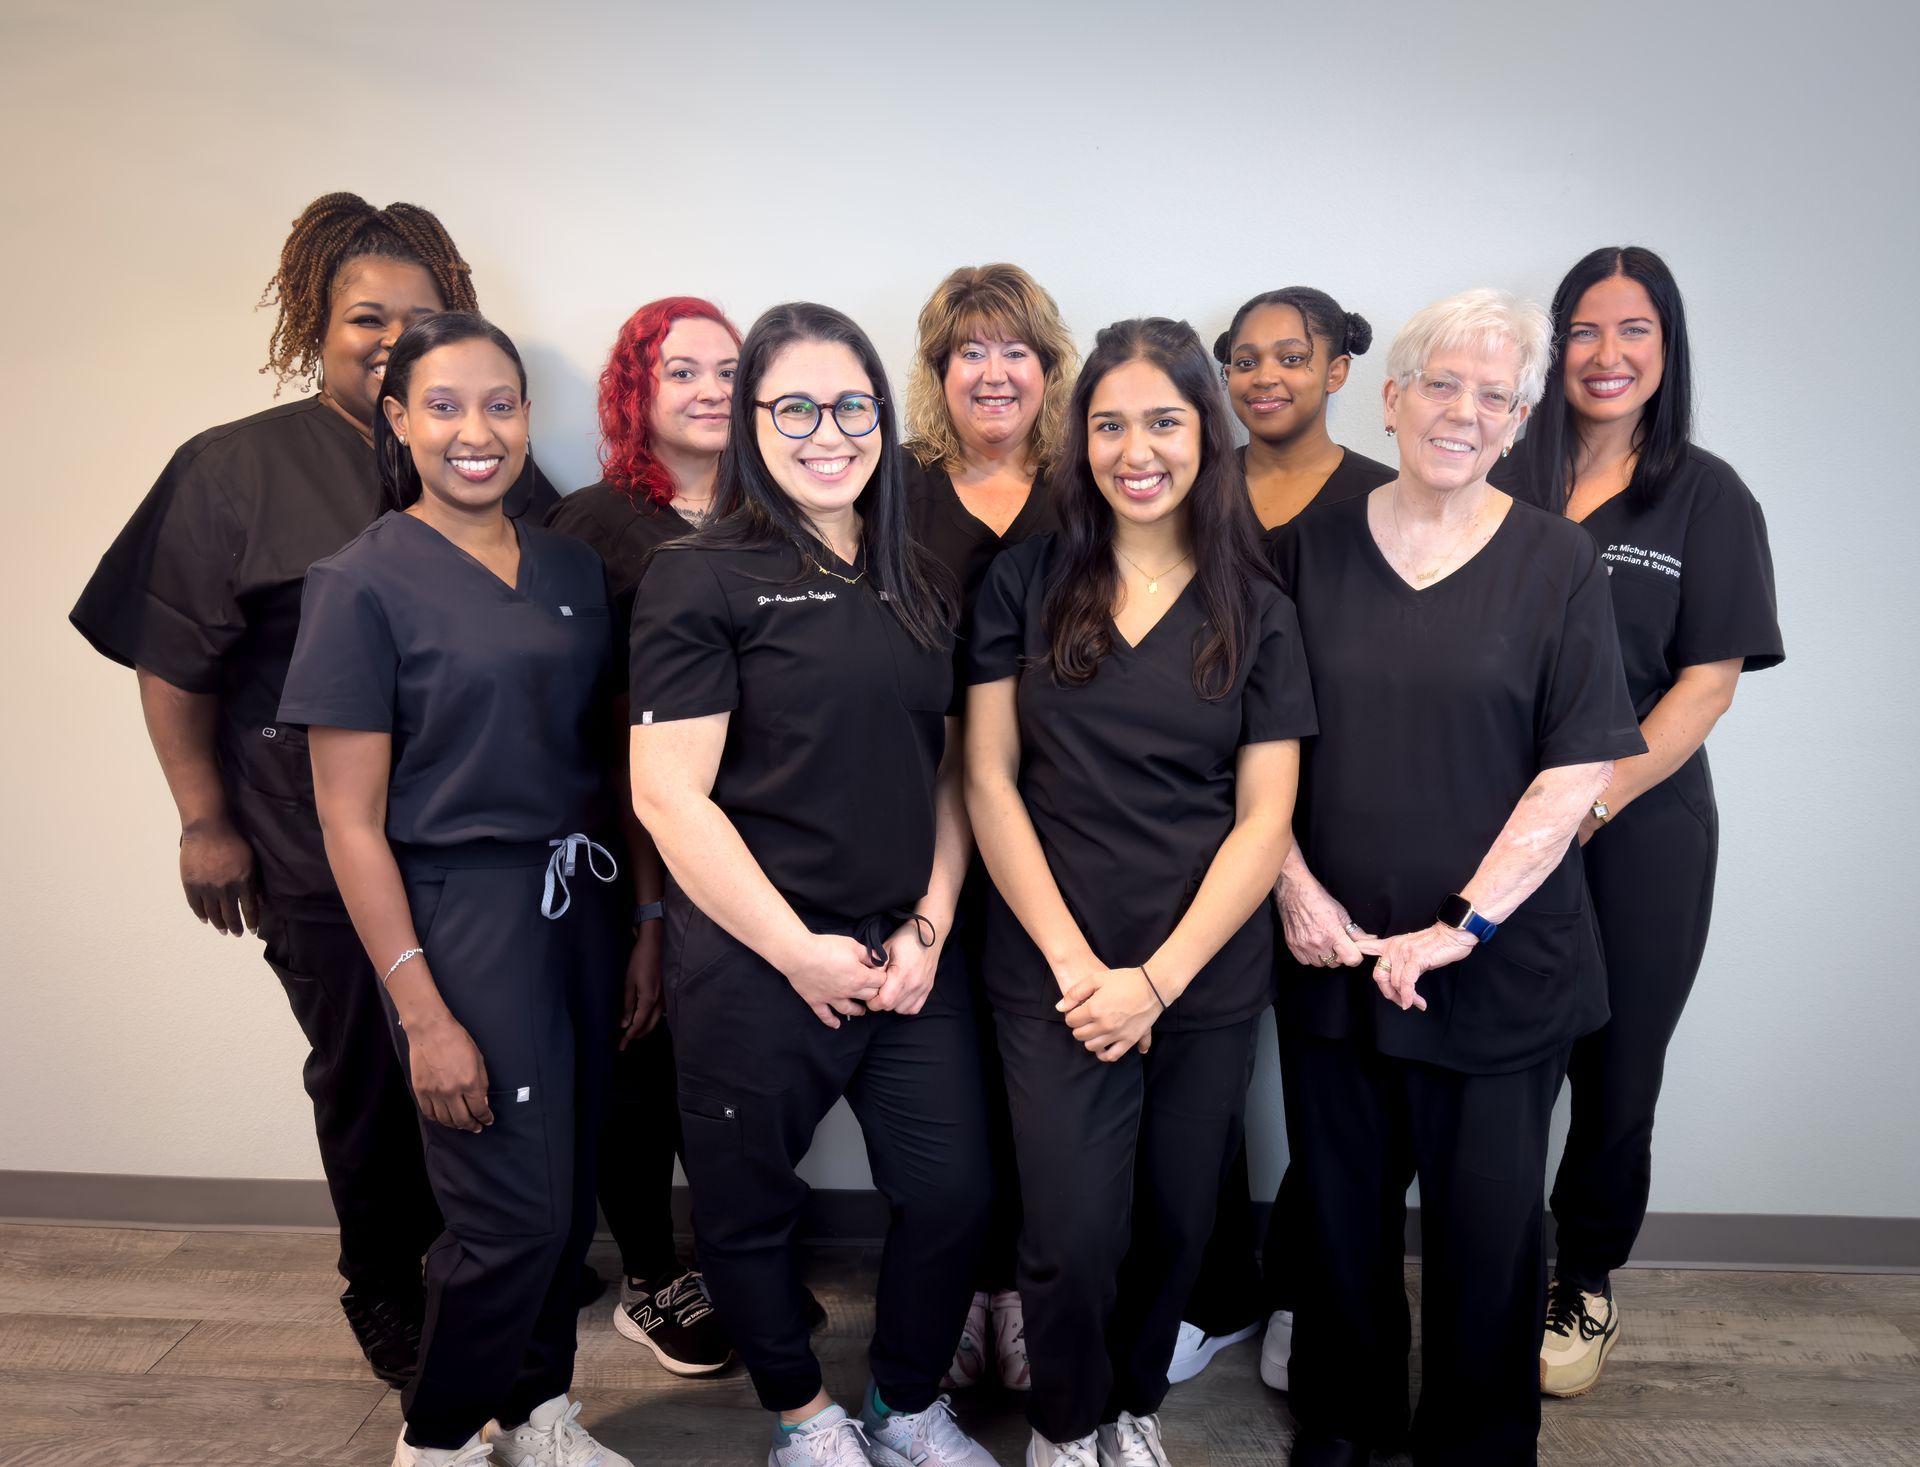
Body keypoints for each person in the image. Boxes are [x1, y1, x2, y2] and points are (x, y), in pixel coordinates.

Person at [68, 192, 558, 1389]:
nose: (392, 337)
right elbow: (174, 660)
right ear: (315, 325)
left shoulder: (496, 469)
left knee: (480, 1060)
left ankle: (478, 1261)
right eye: (364, 316)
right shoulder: (234, 470)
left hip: (477, 856)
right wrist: (204, 823)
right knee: (367, 1069)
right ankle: (382, 1284)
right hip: (312, 847)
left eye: (421, 316)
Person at [1268, 288, 1645, 1467]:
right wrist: (1292, 888)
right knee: (1338, 1214)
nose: (1465, 412)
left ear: (1520, 417)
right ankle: (1344, 1419)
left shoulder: (1558, 560)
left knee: (1489, 1234)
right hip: (1331, 948)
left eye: (1495, 394)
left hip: (1497, 964)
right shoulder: (1307, 551)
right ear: (1390, 398)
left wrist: (1461, 926)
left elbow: (1578, 762)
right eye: (1443, 383)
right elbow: (1252, 743)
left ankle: (1477, 1445)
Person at [629, 302, 999, 1467]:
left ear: (885, 420)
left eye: (852, 405)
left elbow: (950, 773)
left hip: (903, 958)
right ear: (752, 422)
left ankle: (903, 1403)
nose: (826, 430)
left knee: (951, 1197)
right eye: (795, 406)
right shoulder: (700, 577)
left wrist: (932, 926)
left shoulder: (919, 576)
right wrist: (797, 951)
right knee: (747, 1209)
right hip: (755, 962)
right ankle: (803, 1420)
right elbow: (667, 796)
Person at [280, 312, 630, 1467]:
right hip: (461, 915)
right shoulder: (359, 582)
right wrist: (420, 1010)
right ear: (399, 420)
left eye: (500, 404)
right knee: (506, 1214)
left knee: (567, 1196)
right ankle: (434, 1440)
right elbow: (347, 820)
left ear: (528, 418)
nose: (475, 432)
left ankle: (536, 1414)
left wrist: (646, 930)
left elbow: (605, 764)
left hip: (584, 903)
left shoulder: (573, 567)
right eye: (444, 406)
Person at [967, 317, 1315, 1467]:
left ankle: (1132, 1413)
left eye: (1163, 421)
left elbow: (1267, 817)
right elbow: (988, 778)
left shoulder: (1256, 605)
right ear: (1082, 440)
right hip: (1053, 971)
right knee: (1070, 1230)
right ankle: (1065, 1429)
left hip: (1201, 975)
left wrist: (1157, 983)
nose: (1137, 449)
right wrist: (1081, 970)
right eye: (1110, 423)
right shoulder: (1025, 577)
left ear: (1204, 437)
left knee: (1177, 1222)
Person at [1497, 247, 1783, 1397]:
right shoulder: (1497, 465)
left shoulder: (1706, 495)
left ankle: (1586, 1277)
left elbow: (1706, 686)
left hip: (1641, 828)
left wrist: (1590, 804)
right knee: (1500, 1063)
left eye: (1635, 332)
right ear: (1553, 344)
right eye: (1584, 330)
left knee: (1618, 1069)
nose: (1607, 356)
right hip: (1496, 826)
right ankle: (1497, 1267)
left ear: (1667, 352)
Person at [1178, 287, 1401, 1391]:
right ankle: (1212, 1291)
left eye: (1291, 358)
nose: (1266, 378)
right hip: (1195, 821)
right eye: (1246, 361)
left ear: (1339, 371)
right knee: (1202, 1079)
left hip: (1339, 830)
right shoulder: (1190, 487)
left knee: (1336, 1091)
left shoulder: (1386, 499)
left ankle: (1308, 1289)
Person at [547, 296, 742, 1377]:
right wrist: (651, 908)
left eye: (727, 369)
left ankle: (726, 1261)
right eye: (682, 372)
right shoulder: (594, 526)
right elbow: (592, 718)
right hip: (633, 846)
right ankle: (647, 1276)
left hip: (757, 845)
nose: (710, 389)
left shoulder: (785, 514)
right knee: (643, 1050)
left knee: (733, 1061)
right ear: (637, 391)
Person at [903, 262, 1079, 1395]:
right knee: (949, 1082)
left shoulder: (1091, 485)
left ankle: (1025, 1297)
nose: (994, 370)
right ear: (936, 373)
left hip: (1057, 823)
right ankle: (960, 1296)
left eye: (1015, 349)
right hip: (917, 824)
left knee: (1040, 1077)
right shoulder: (894, 488)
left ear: (1050, 368)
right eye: (969, 350)